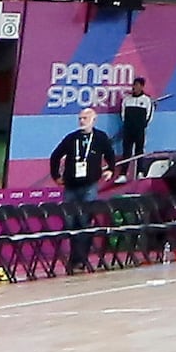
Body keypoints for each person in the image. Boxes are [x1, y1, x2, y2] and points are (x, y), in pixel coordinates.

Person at [48, 103, 116, 269]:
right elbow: (55, 156)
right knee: (71, 223)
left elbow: (110, 155)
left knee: (85, 222)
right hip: (71, 186)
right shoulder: (72, 138)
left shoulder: (100, 137)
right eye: (79, 118)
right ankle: (74, 257)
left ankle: (81, 258)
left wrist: (111, 170)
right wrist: (56, 176)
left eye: (85, 118)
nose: (81, 121)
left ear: (94, 120)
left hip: (89, 186)